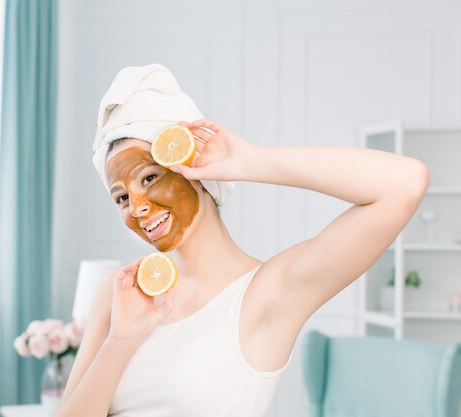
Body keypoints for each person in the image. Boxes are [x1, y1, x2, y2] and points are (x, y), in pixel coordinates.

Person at [55, 64, 429, 417]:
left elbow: (405, 183)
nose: (136, 207)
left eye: (149, 178)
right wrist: (120, 342)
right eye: (121, 197)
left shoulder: (269, 294)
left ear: (194, 170)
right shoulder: (120, 293)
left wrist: (249, 161)